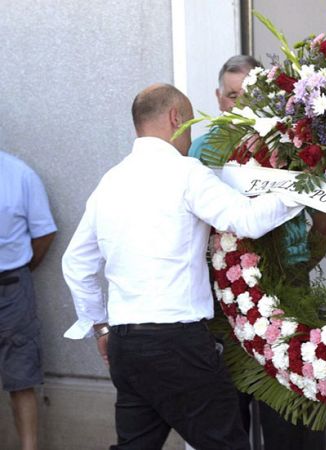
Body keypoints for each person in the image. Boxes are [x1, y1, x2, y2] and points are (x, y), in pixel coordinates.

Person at [62, 83, 304, 449]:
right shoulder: (186, 172)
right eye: (190, 123)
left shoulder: (110, 181)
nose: (190, 136)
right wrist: (303, 190)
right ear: (176, 118)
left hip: (125, 345)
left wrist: (100, 327)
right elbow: (247, 219)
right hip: (177, 344)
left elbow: (75, 263)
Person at [191, 55, 326, 450]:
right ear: (218, 98)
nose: (240, 105)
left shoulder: (293, 150)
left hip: (288, 292)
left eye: (250, 97)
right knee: (229, 419)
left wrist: (298, 266)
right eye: (233, 96)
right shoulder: (200, 152)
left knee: (289, 415)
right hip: (222, 299)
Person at [0, 150, 57, 450]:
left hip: (11, 287)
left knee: (21, 377)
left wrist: (21, 267)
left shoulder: (20, 175)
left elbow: (44, 233)